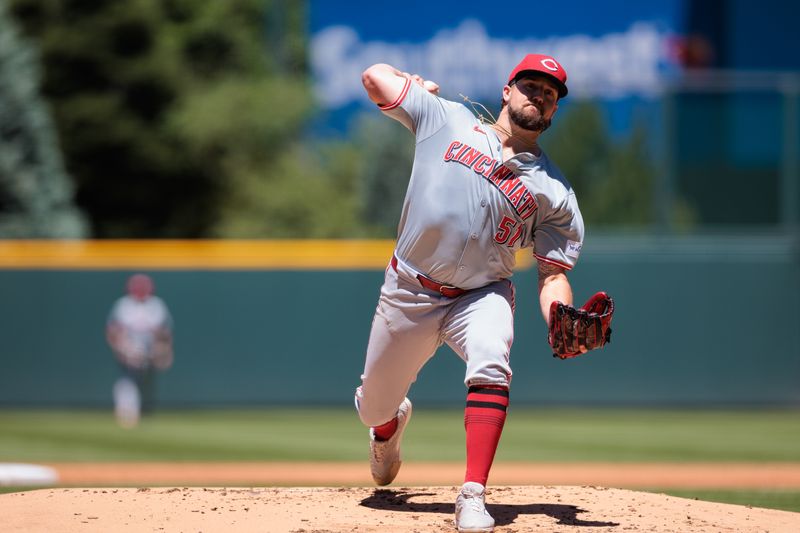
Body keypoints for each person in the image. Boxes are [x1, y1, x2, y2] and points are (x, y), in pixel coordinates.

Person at [355, 54, 610, 533]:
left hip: (481, 292)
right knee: (374, 405)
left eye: (549, 93)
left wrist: (560, 314)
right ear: (507, 91)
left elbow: (552, 273)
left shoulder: (554, 191)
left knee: (493, 358)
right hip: (410, 289)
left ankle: (472, 494)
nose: (539, 95)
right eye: (530, 85)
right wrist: (410, 83)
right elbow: (373, 78)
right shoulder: (446, 117)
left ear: (554, 111)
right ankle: (387, 428)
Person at [106, 273, 174, 428]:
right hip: (129, 346)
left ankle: (139, 410)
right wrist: (122, 349)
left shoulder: (156, 305)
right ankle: (126, 411)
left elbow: (164, 333)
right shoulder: (123, 305)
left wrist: (165, 351)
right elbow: (113, 332)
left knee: (142, 381)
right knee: (128, 379)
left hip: (149, 349)